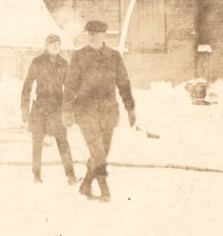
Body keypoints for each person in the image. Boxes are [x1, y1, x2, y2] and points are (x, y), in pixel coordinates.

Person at [62, 20, 136, 201]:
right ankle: (104, 189)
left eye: (96, 33)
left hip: (108, 112)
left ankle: (86, 185)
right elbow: (70, 85)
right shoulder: (79, 56)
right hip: (86, 111)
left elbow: (124, 83)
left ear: (104, 34)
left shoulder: (114, 57)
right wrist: (67, 110)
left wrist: (130, 108)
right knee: (98, 153)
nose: (92, 36)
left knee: (103, 151)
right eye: (90, 33)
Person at [20, 34, 76, 184]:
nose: (56, 46)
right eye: (52, 43)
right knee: (37, 142)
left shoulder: (63, 64)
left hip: (57, 108)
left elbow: (70, 89)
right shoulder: (37, 62)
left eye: (58, 43)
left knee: (63, 142)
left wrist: (69, 110)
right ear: (46, 45)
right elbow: (27, 86)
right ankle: (36, 175)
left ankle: (71, 176)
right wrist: (24, 109)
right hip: (40, 108)